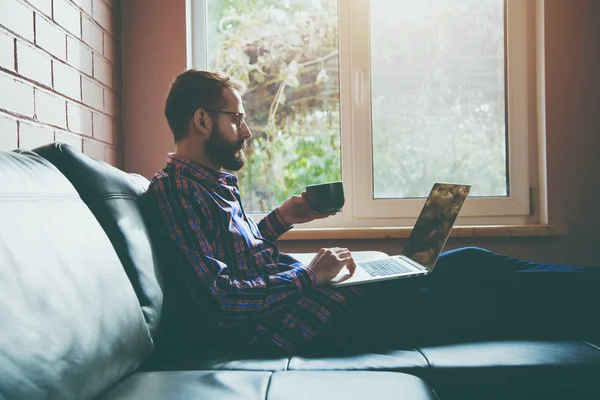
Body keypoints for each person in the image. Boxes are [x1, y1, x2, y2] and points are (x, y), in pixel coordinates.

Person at [144, 69, 600, 356]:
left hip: (320, 303)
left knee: (470, 263)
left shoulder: (211, 185)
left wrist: (283, 218)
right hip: (310, 325)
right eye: (236, 118)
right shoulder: (176, 192)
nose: (246, 131)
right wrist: (310, 277)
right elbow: (221, 301)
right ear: (201, 121)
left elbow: (238, 257)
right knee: (477, 280)